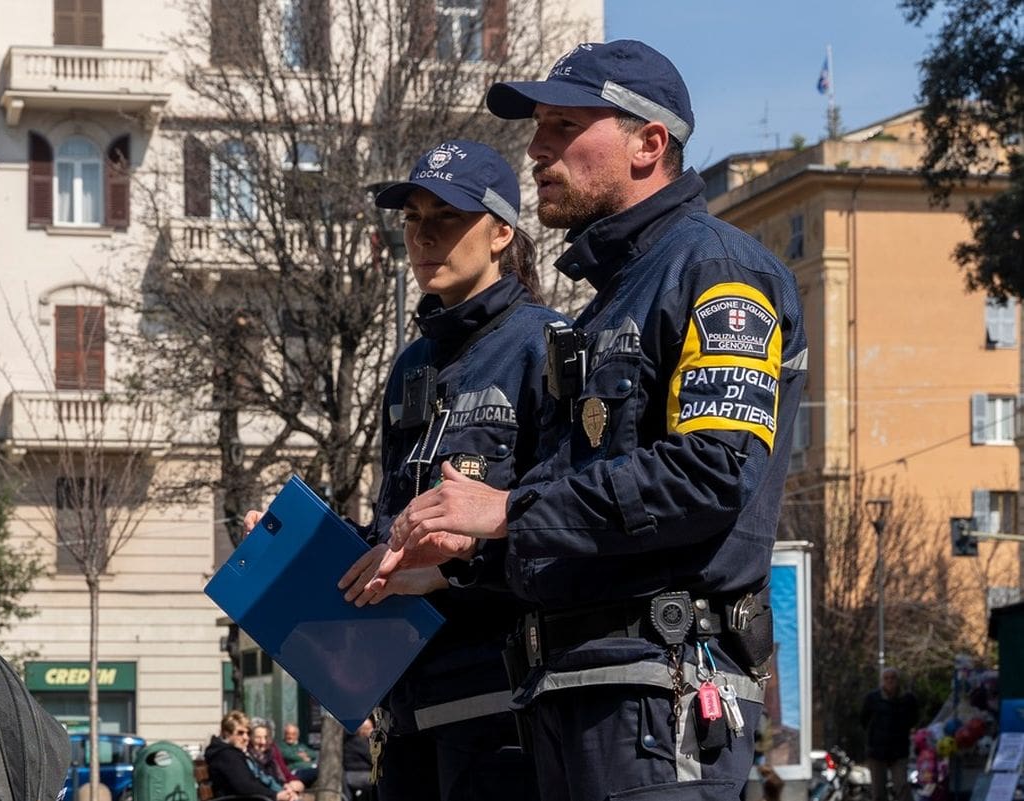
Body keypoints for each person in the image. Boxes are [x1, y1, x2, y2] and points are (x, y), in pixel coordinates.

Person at [374, 40, 808, 801]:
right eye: (537, 127)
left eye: (564, 126)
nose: (537, 151)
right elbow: (570, 502)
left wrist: (507, 509)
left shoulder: (716, 269)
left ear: (650, 143)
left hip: (657, 698)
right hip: (573, 698)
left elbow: (710, 473)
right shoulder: (609, 302)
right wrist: (464, 555)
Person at [334, 139, 567, 801]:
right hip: (406, 711)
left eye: (446, 216)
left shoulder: (545, 346)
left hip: (503, 711)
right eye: (412, 219)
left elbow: (567, 528)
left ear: (500, 232)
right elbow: (394, 527)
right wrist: (327, 548)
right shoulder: (411, 366)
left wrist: (449, 568)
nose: (424, 236)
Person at [204, 710, 302, 801]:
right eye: (240, 733)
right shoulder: (226, 755)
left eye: (248, 733)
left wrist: (283, 789)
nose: (246, 738)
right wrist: (276, 795)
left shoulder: (233, 753)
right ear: (226, 733)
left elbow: (253, 782)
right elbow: (245, 786)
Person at [861, 667, 919, 801]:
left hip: (899, 750)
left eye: (893, 678)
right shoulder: (872, 698)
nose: (890, 681)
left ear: (898, 680)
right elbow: (864, 720)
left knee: (902, 787)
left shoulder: (908, 699)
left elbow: (914, 719)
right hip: (877, 751)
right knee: (878, 791)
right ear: (882, 681)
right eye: (886, 678)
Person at [343, 718, 374, 800]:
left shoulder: (355, 741)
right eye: (369, 728)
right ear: (362, 730)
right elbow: (373, 758)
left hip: (356, 774)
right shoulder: (358, 742)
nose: (372, 731)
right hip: (357, 775)